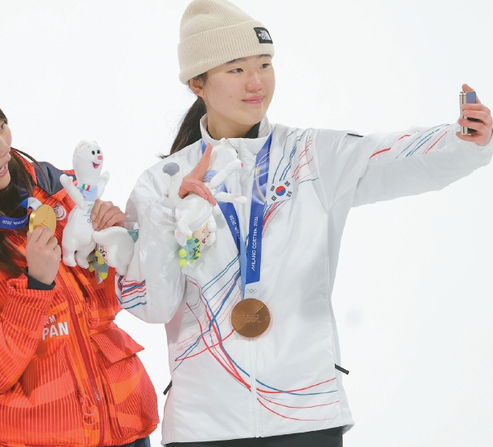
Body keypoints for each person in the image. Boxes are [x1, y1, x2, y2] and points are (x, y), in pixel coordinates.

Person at [112, 0, 493, 446]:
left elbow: (390, 155)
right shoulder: (162, 183)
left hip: (306, 416)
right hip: (205, 422)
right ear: (198, 82)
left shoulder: (311, 157)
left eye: (265, 64)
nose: (257, 83)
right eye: (236, 69)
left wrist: (464, 141)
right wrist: (164, 218)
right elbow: (149, 306)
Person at [0, 80, 158, 447]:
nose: (5, 146)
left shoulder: (45, 190)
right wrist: (36, 285)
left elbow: (103, 307)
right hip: (35, 437)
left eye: (1, 127)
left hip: (122, 425)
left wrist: (109, 244)